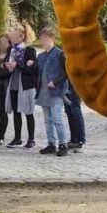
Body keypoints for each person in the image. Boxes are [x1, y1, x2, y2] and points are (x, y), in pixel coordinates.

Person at [36, 27, 70, 156]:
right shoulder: (40, 56)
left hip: (56, 92)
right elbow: (37, 73)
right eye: (41, 38)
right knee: (47, 120)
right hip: (44, 92)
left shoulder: (60, 54)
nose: (43, 41)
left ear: (52, 39)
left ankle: (63, 144)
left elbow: (67, 72)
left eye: (45, 38)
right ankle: (51, 143)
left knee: (56, 118)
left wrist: (55, 82)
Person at [5, 27, 38, 149]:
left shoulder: (29, 50)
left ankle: (31, 139)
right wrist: (7, 67)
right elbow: (7, 65)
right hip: (13, 84)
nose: (12, 38)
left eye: (14, 36)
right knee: (16, 112)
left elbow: (32, 69)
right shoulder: (11, 50)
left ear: (22, 36)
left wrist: (18, 65)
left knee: (28, 112)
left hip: (25, 86)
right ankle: (17, 137)